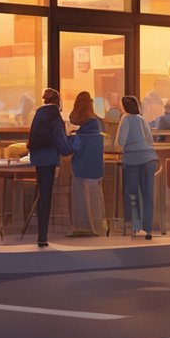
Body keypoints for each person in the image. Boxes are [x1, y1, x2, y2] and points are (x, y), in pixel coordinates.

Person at [26, 88, 73, 248]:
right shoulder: (55, 116)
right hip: (49, 158)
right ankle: (42, 236)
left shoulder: (39, 113)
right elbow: (60, 139)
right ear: (59, 102)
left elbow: (32, 135)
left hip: (37, 157)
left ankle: (41, 234)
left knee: (42, 193)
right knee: (45, 196)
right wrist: (69, 149)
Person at [115, 94, 157, 239]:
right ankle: (148, 229)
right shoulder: (142, 119)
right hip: (149, 159)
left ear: (124, 106)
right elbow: (150, 139)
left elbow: (120, 141)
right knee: (148, 194)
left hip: (132, 160)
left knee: (131, 194)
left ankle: (134, 226)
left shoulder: (125, 119)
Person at [67, 92, 105, 237]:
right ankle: (96, 224)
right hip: (96, 171)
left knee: (79, 199)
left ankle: (81, 226)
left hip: (81, 170)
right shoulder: (97, 126)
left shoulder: (80, 135)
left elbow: (73, 148)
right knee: (94, 199)